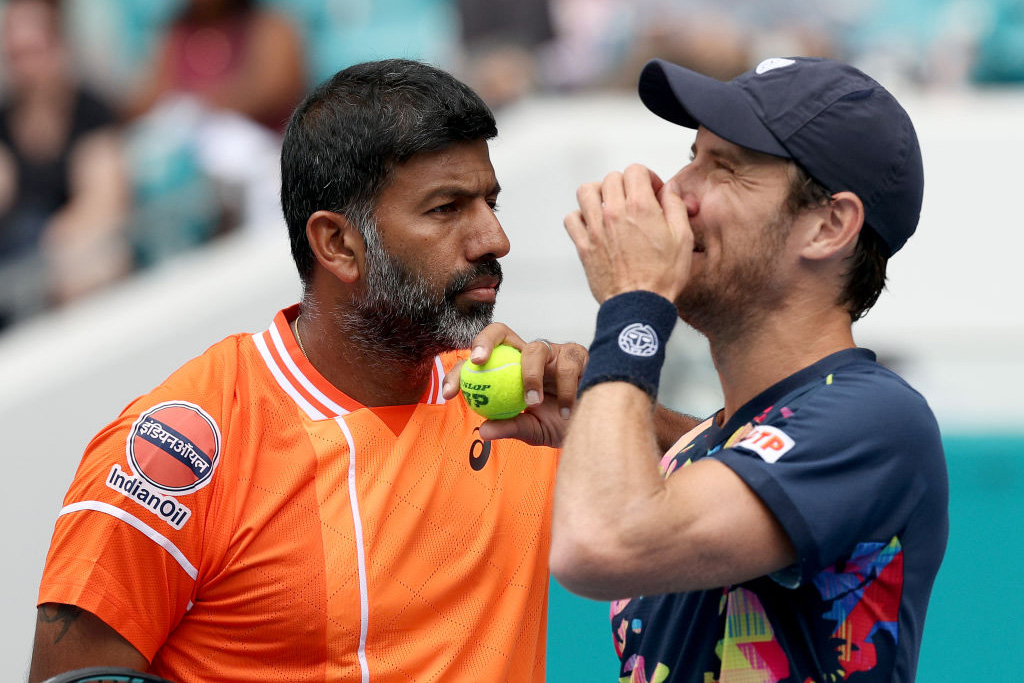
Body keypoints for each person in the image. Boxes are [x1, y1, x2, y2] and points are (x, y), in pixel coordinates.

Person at [30, 58, 583, 683]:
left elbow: (715, 483)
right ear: (338, 245)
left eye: (490, 201)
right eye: (446, 209)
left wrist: (607, 410)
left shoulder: (520, 412)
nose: (494, 238)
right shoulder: (183, 443)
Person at [550, 56, 949, 682]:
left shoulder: (878, 418)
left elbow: (600, 544)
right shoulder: (719, 439)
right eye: (692, 154)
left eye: (725, 169)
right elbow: (741, 451)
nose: (677, 191)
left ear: (827, 226)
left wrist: (634, 304)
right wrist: (594, 403)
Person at [0, 0, 131, 328]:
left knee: (88, 265)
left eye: (34, 52)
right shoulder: (4, 124)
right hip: (17, 262)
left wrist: (46, 246)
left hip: (68, 262)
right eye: (16, 56)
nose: (26, 68)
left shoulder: (90, 111)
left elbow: (104, 203)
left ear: (59, 46)